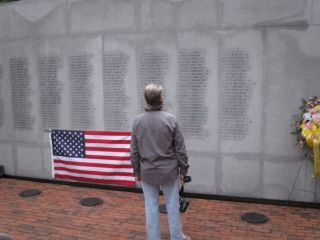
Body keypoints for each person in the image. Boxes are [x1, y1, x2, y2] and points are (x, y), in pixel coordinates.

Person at [130, 83, 190, 240]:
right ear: (161, 98)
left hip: (147, 172)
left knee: (151, 207)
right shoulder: (171, 120)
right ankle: (177, 237)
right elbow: (180, 150)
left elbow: (134, 151)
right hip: (169, 172)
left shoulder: (137, 122)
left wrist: (136, 171)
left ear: (146, 99)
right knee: (173, 205)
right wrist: (183, 171)